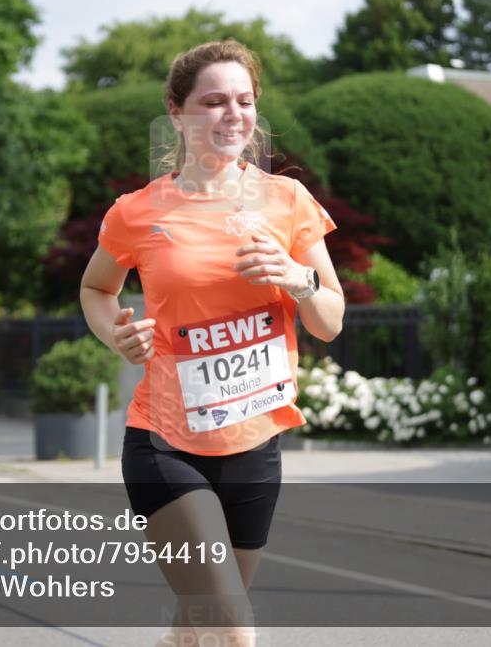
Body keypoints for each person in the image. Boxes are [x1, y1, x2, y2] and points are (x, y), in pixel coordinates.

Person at [79, 39, 344, 647]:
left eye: (245, 101)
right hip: (165, 442)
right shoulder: (136, 212)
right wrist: (115, 331)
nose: (234, 115)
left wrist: (296, 278)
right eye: (214, 101)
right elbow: (96, 288)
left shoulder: (288, 201)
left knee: (197, 626)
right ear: (177, 111)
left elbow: (329, 320)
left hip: (254, 446)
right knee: (234, 626)